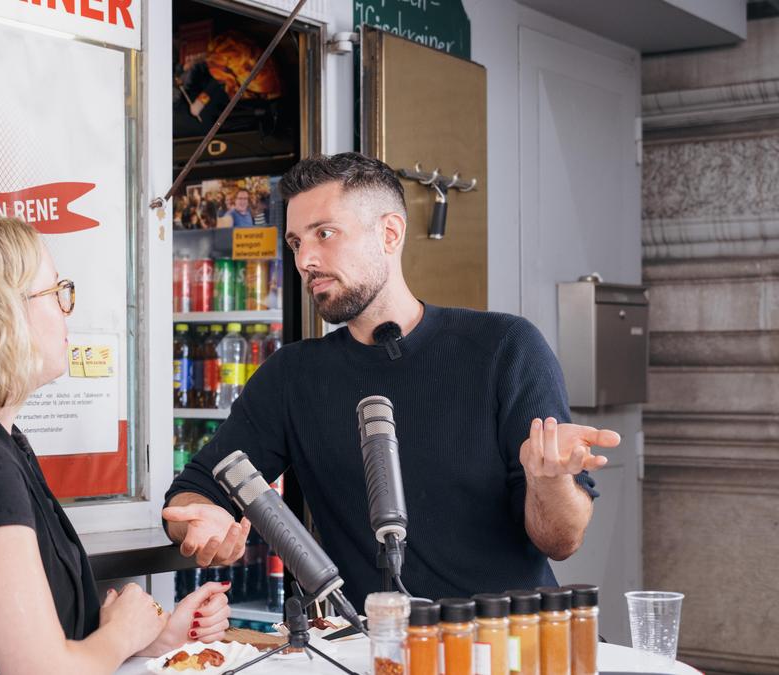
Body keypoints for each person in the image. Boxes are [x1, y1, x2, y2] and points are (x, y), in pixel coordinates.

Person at [163, 153, 622, 608]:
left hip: (504, 645)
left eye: (324, 234)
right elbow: (196, 490)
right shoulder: (293, 376)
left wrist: (550, 482)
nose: (305, 259)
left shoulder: (505, 347)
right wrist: (199, 519)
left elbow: (561, 541)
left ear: (389, 234)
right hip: (372, 650)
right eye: (296, 242)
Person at [0, 216, 231, 674]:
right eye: (55, 292)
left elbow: (42, 641)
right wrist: (120, 632)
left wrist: (155, 637)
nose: (68, 309)